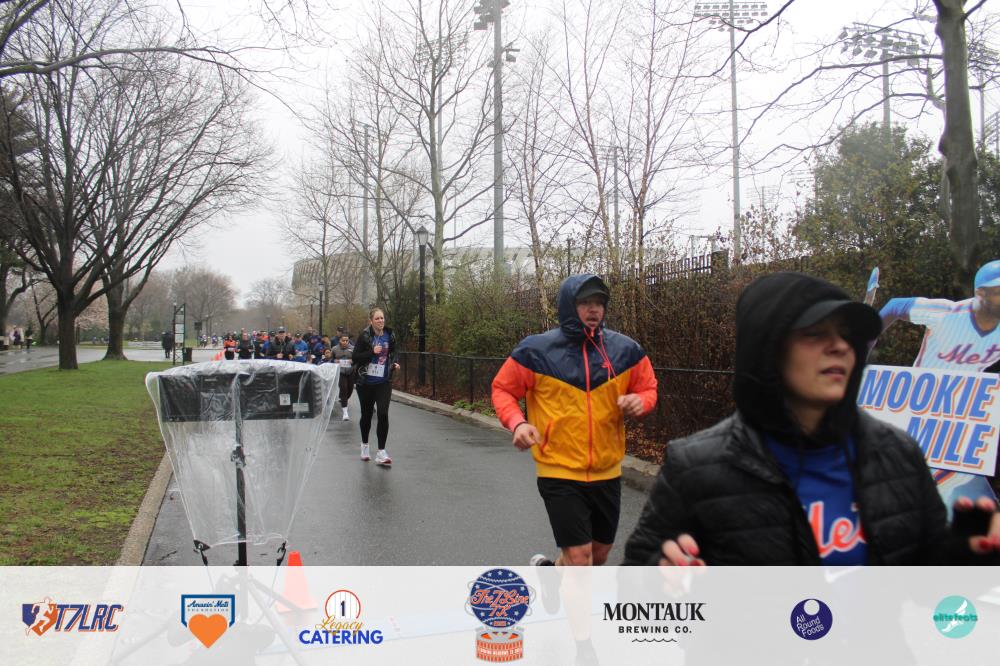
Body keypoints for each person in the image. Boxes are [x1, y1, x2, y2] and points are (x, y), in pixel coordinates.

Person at [624, 272, 1000, 566]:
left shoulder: (899, 453)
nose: (840, 346)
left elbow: (927, 575)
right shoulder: (694, 466)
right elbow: (638, 587)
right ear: (767, 349)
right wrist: (662, 579)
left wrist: (972, 549)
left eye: (847, 334)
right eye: (815, 334)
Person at [491, 274, 658, 567]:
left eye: (599, 303)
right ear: (569, 306)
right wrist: (518, 422)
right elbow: (503, 389)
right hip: (559, 470)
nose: (594, 309)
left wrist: (641, 402)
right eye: (585, 302)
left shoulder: (626, 350)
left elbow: (648, 388)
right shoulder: (535, 351)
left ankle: (551, 573)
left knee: (599, 554)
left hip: (607, 470)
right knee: (580, 559)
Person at [879, 259, 1000, 372]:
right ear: (981, 294)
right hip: (919, 386)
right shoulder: (948, 313)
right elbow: (895, 306)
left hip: (966, 388)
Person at [352, 308, 399, 465]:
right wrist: (372, 352)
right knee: (366, 415)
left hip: (383, 381)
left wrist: (395, 363)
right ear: (371, 321)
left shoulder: (390, 334)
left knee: (383, 414)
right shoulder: (365, 336)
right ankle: (365, 445)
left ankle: (381, 452)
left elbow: (394, 352)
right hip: (365, 382)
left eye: (382, 318)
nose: (380, 321)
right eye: (377, 318)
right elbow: (355, 357)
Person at [331, 333, 355, 420]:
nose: (345, 342)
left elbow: (357, 359)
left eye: (346, 340)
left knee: (350, 389)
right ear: (339, 340)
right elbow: (331, 359)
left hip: (350, 371)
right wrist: (335, 361)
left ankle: (343, 398)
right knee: (344, 388)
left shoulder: (353, 348)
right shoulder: (334, 349)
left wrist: (353, 361)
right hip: (340, 372)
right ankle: (345, 413)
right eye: (343, 340)